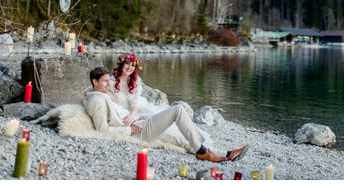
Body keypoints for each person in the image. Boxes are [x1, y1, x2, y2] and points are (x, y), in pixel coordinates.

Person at [83, 65, 248, 163]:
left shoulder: (98, 93)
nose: (108, 83)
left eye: (107, 80)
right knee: (177, 111)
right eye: (104, 81)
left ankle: (225, 153)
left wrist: (135, 118)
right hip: (134, 133)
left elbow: (108, 105)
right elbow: (103, 129)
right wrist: (130, 129)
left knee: (179, 136)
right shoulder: (97, 100)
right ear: (95, 82)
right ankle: (201, 151)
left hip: (138, 124)